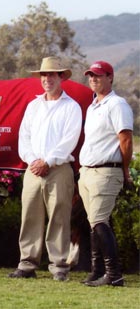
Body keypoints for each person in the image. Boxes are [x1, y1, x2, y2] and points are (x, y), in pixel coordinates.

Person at [8, 56, 82, 281]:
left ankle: (59, 266)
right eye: (44, 75)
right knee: (30, 215)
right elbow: (24, 137)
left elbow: (69, 140)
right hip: (33, 169)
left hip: (58, 169)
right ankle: (27, 264)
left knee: (59, 217)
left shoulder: (72, 107)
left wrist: (47, 161)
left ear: (61, 77)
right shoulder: (33, 106)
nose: (47, 79)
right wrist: (33, 160)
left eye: (51, 74)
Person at [78, 61, 133, 287]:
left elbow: (126, 139)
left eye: (98, 76)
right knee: (94, 223)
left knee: (100, 220)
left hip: (107, 171)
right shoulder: (93, 106)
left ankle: (114, 273)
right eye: (91, 75)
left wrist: (125, 169)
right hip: (88, 172)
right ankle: (97, 271)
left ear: (110, 77)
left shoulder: (117, 104)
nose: (93, 79)